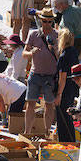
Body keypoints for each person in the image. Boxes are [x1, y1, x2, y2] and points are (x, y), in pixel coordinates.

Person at [23, 8, 58, 136]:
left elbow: (61, 57)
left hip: (50, 76)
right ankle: (27, 132)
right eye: (44, 21)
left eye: (49, 21)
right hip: (35, 74)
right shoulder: (33, 34)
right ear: (40, 20)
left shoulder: (57, 35)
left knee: (49, 105)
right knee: (30, 104)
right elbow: (24, 53)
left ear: (53, 21)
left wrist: (54, 49)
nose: (47, 24)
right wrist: (31, 52)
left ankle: (47, 132)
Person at [55, 28, 80, 143]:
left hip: (64, 90)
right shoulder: (73, 52)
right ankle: (70, 141)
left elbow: (62, 78)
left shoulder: (63, 56)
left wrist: (58, 94)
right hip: (72, 87)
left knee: (62, 118)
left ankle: (66, 142)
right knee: (68, 115)